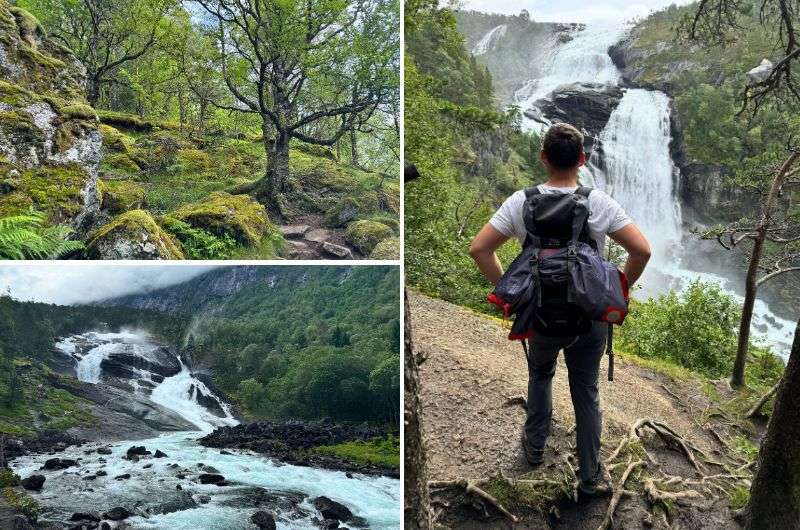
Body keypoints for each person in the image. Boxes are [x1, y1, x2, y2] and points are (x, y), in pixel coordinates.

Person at [469, 123, 651, 494]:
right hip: (588, 315)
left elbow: (479, 249)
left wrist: (511, 291)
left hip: (539, 312)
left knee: (540, 376)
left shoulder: (520, 201)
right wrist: (616, 290)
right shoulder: (598, 202)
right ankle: (589, 476)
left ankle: (534, 450)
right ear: (582, 160)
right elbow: (642, 251)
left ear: (543, 158)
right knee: (585, 388)